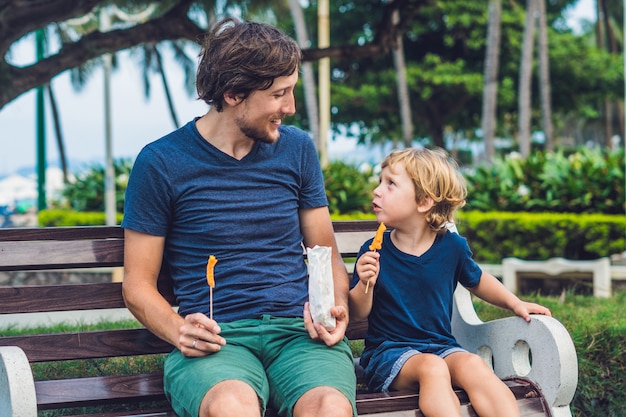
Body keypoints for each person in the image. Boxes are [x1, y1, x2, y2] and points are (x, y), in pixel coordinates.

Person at [121, 17, 356, 417]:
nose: (291, 107)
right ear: (233, 94)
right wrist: (180, 330)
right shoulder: (161, 163)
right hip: (218, 342)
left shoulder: (296, 149)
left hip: (298, 336)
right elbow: (137, 285)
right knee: (232, 408)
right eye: (280, 94)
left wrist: (335, 307)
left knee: (329, 408)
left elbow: (324, 251)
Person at [348, 148, 552, 417]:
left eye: (391, 183)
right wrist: (366, 282)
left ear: (423, 202)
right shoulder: (373, 251)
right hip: (388, 355)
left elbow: (478, 280)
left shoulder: (451, 247)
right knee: (432, 368)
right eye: (380, 181)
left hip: (441, 346)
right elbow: (358, 312)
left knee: (473, 364)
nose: (377, 190)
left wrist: (515, 303)